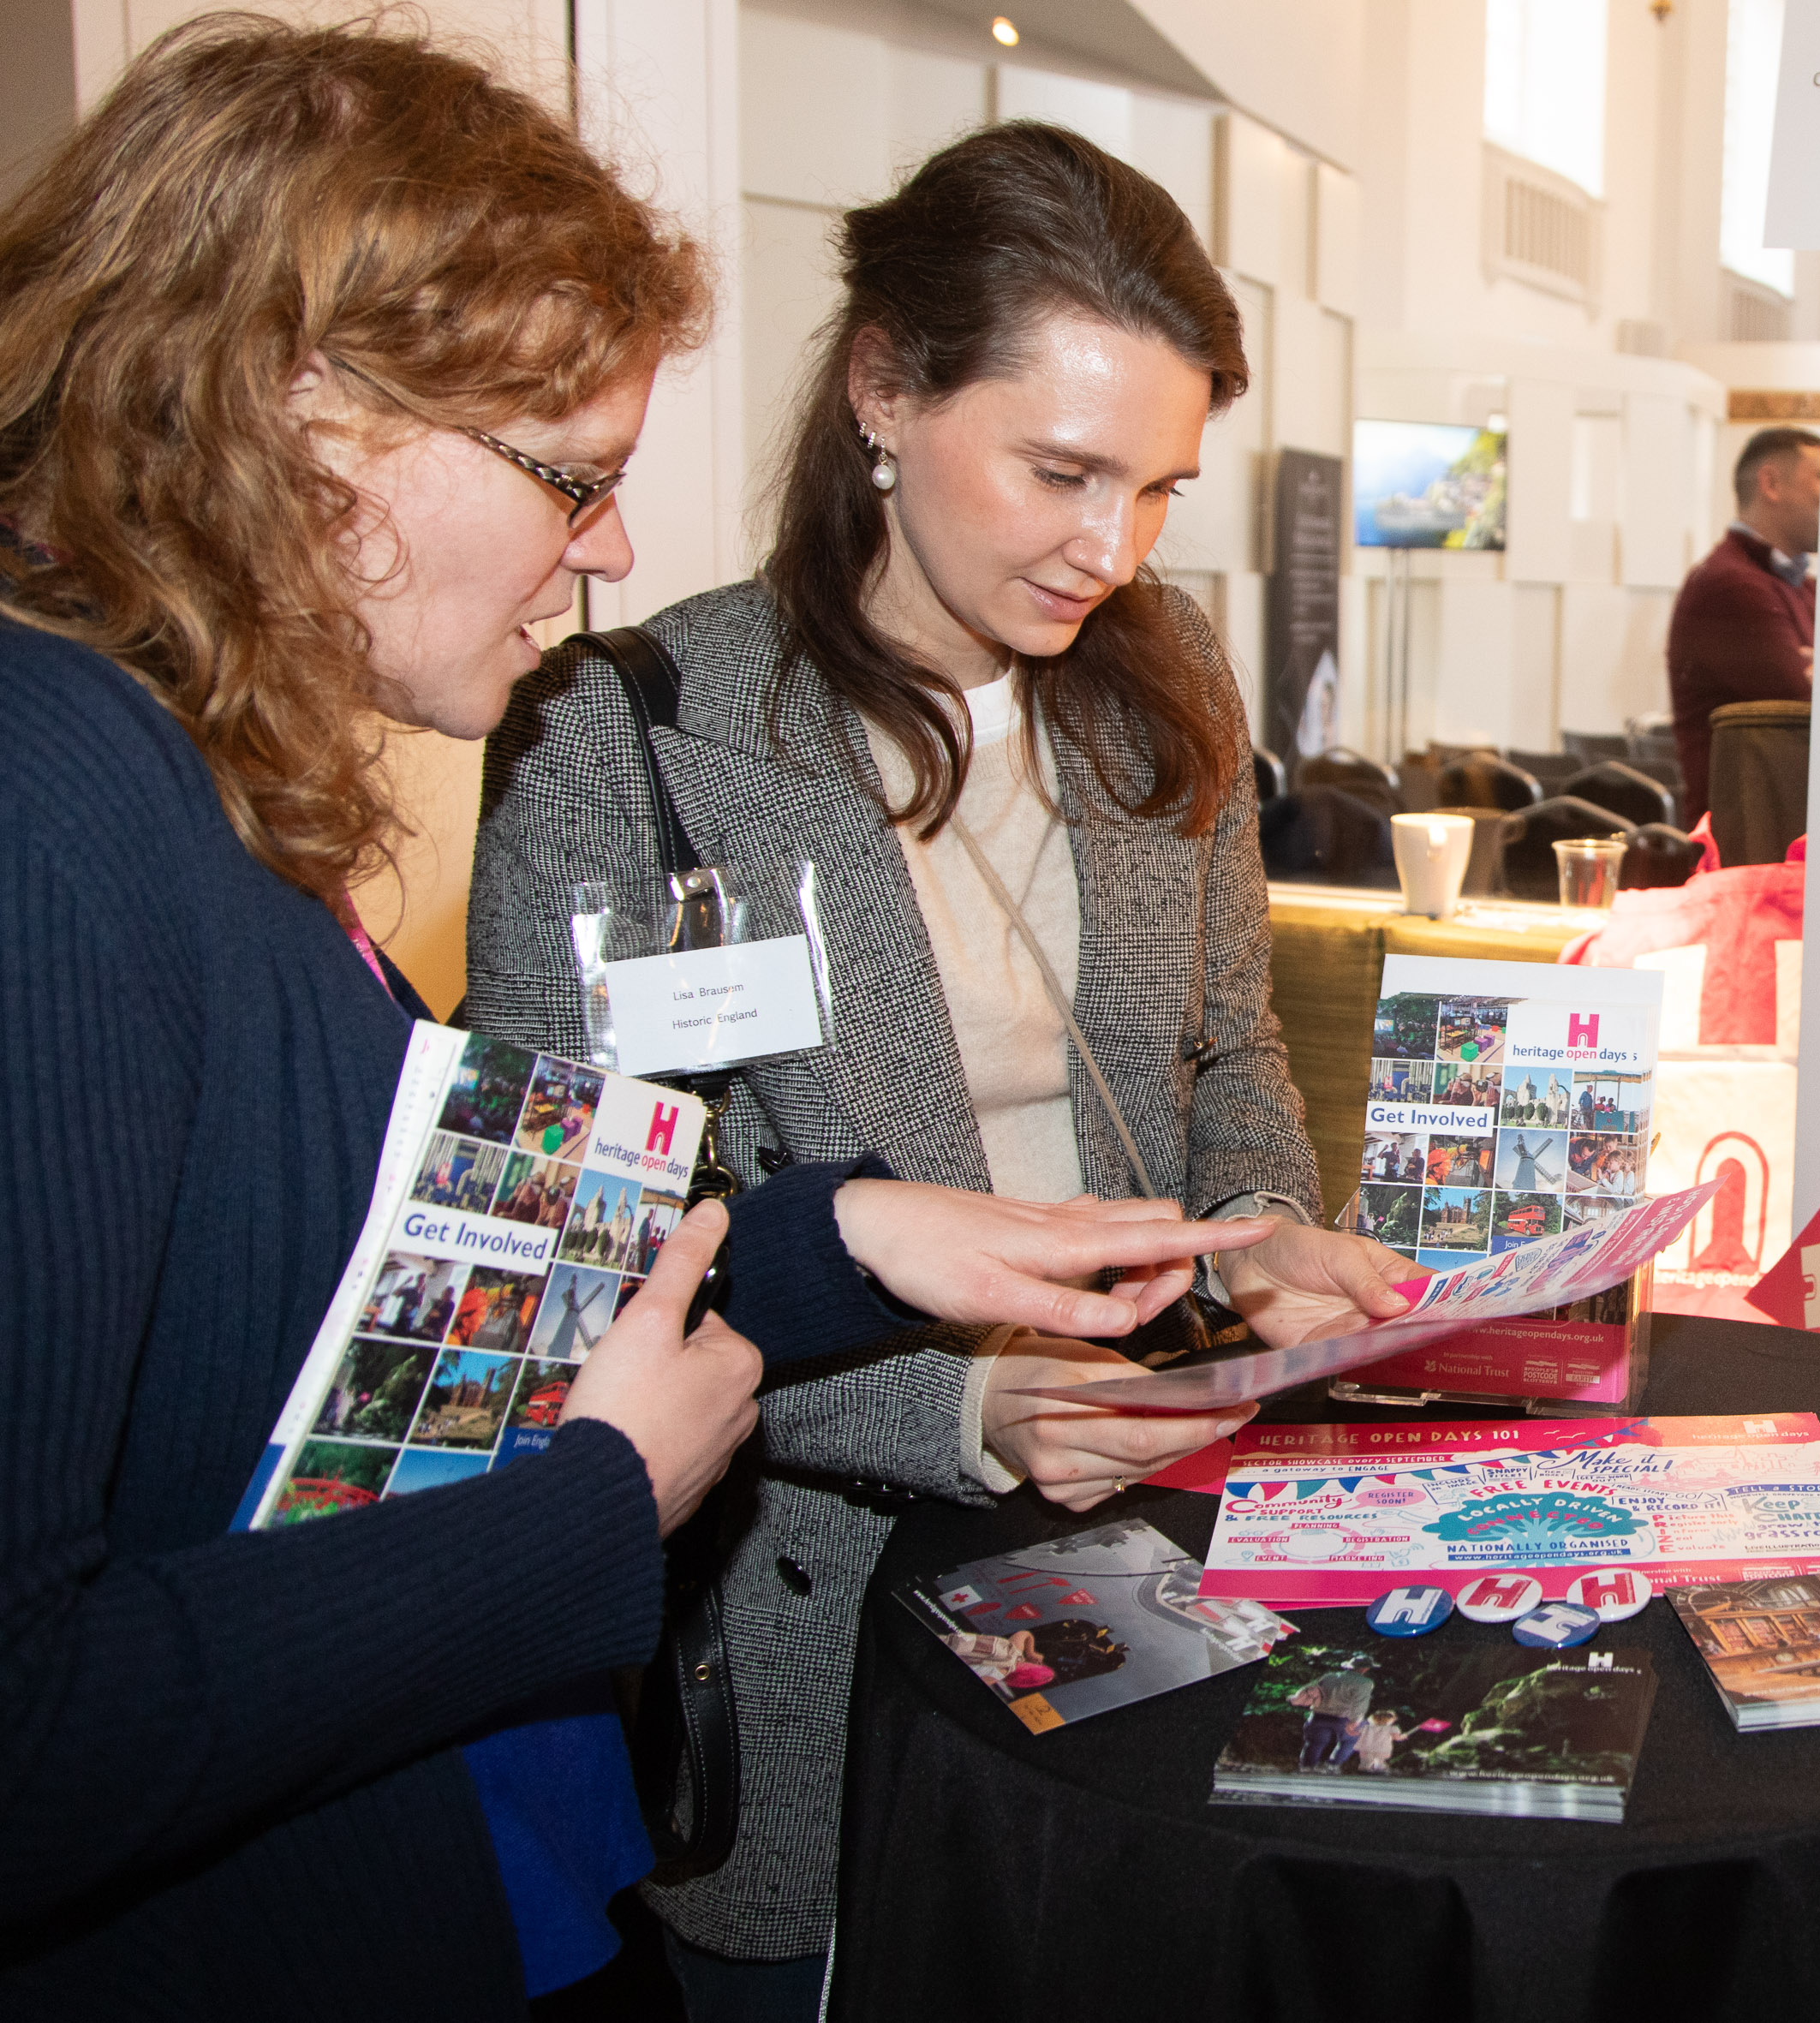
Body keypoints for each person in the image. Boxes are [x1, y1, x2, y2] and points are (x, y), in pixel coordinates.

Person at [0, 27, 1275, 2017]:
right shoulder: (57, 814)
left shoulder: (196, 794)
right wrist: (602, 1505)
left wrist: (837, 1234)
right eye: (571, 478)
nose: (601, 545)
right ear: (300, 409)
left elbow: (459, 1289)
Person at [464, 121, 1414, 2013]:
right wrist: (963, 1405)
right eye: (1061, 470)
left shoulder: (1166, 681)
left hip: (1165, 1511)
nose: (1111, 546)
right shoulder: (629, 737)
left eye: (1157, 486)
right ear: (883, 388)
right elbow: (590, 1265)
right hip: (822, 1605)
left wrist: (1257, 1236)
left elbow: (1228, 1049)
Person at [1666, 425, 1820, 825]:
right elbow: (1814, 711)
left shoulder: (1798, 585)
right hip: (1744, 842)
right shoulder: (1730, 585)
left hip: (1774, 828)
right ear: (1771, 483)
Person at [1291, 1651, 1377, 1769]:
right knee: (1353, 1740)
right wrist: (1355, 1721)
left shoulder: (1329, 1677)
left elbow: (1308, 1689)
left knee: (1315, 1742)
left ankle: (1306, 1768)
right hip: (1343, 1718)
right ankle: (1332, 1766)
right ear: (1365, 1669)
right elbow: (1360, 1704)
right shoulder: (1365, 1683)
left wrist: (1296, 1699)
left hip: (1318, 1716)